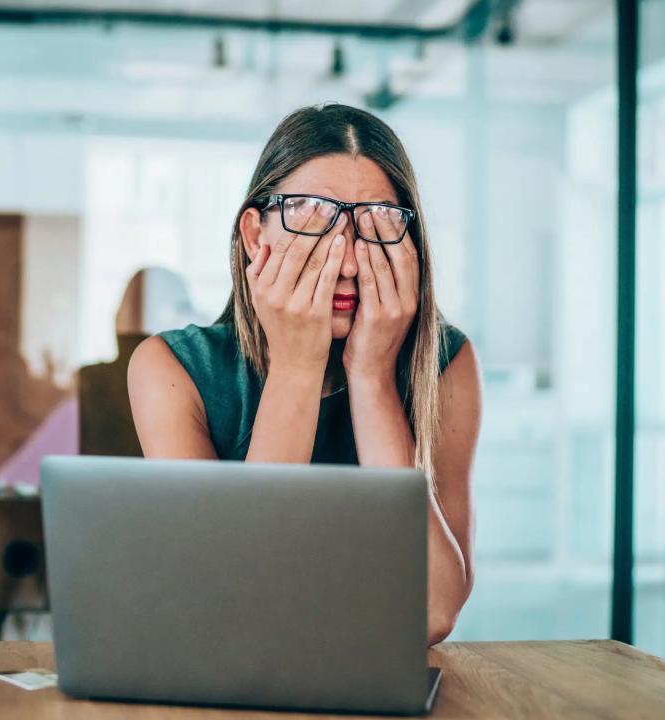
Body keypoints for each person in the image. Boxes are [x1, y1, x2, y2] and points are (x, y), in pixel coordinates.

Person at [128, 103, 482, 646]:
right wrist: (297, 364)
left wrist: (371, 377)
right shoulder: (172, 368)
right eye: (312, 217)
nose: (345, 262)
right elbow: (232, 600)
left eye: (377, 223)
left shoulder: (448, 365)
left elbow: (432, 612)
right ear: (254, 235)